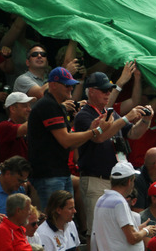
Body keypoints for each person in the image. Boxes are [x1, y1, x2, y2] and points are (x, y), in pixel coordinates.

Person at [75, 70, 152, 234]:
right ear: (92, 91)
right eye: (104, 90)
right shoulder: (84, 115)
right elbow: (100, 137)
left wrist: (146, 119)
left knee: (115, 229)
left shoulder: (109, 112)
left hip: (115, 181)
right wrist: (126, 118)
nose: (108, 93)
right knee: (95, 230)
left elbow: (133, 133)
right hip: (96, 179)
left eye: (110, 90)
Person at [28, 67, 112, 209]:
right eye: (66, 85)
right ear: (53, 85)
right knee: (54, 219)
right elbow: (66, 140)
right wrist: (97, 130)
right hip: (48, 174)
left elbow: (70, 144)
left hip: (60, 172)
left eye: (72, 85)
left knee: (65, 218)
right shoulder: (48, 105)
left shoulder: (57, 106)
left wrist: (93, 129)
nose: (70, 88)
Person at [91, 162, 156, 251]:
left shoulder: (101, 200)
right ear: (129, 181)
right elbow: (132, 238)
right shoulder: (119, 202)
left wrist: (139, 228)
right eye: (133, 181)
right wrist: (147, 230)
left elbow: (114, 233)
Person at [0, 92, 32, 164]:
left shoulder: (27, 128)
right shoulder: (4, 126)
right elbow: (25, 128)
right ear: (12, 109)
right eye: (25, 106)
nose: (29, 109)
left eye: (29, 106)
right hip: (12, 173)